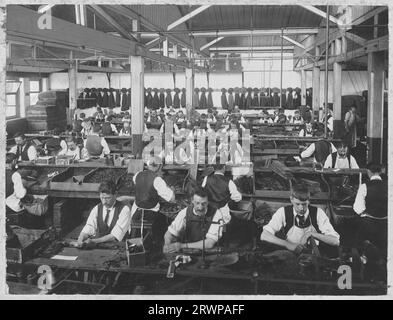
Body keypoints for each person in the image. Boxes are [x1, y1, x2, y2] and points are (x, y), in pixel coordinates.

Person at [260, 184, 340, 254]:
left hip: (313, 254)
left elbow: (335, 241)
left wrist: (311, 234)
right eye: (297, 204)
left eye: (304, 204)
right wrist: (288, 244)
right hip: (291, 254)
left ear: (309, 200)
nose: (301, 208)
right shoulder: (283, 212)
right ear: (291, 199)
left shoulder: (318, 212)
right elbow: (264, 235)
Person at [163, 187, 229, 253]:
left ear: (208, 202)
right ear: (192, 201)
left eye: (204, 203)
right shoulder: (185, 212)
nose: (200, 207)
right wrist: (167, 246)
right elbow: (170, 233)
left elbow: (209, 243)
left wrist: (182, 246)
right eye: (197, 203)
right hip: (190, 251)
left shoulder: (216, 214)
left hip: (210, 253)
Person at [130, 157, 175, 245]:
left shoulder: (137, 175)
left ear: (147, 166)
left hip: (136, 211)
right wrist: (171, 189)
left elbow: (141, 186)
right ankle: (158, 244)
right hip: (151, 213)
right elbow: (171, 198)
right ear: (160, 167)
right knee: (168, 221)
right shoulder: (157, 180)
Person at [77, 180, 132, 245]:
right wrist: (81, 238)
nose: (104, 202)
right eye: (102, 197)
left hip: (120, 246)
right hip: (102, 246)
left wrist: (94, 241)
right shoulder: (97, 208)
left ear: (115, 195)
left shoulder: (124, 209)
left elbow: (116, 235)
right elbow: (89, 226)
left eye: (108, 198)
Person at [353, 163, 387, 252]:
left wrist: (367, 213)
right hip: (385, 226)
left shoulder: (364, 186)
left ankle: (360, 256)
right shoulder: (389, 186)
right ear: (380, 172)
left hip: (370, 226)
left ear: (368, 172)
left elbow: (357, 208)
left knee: (356, 236)